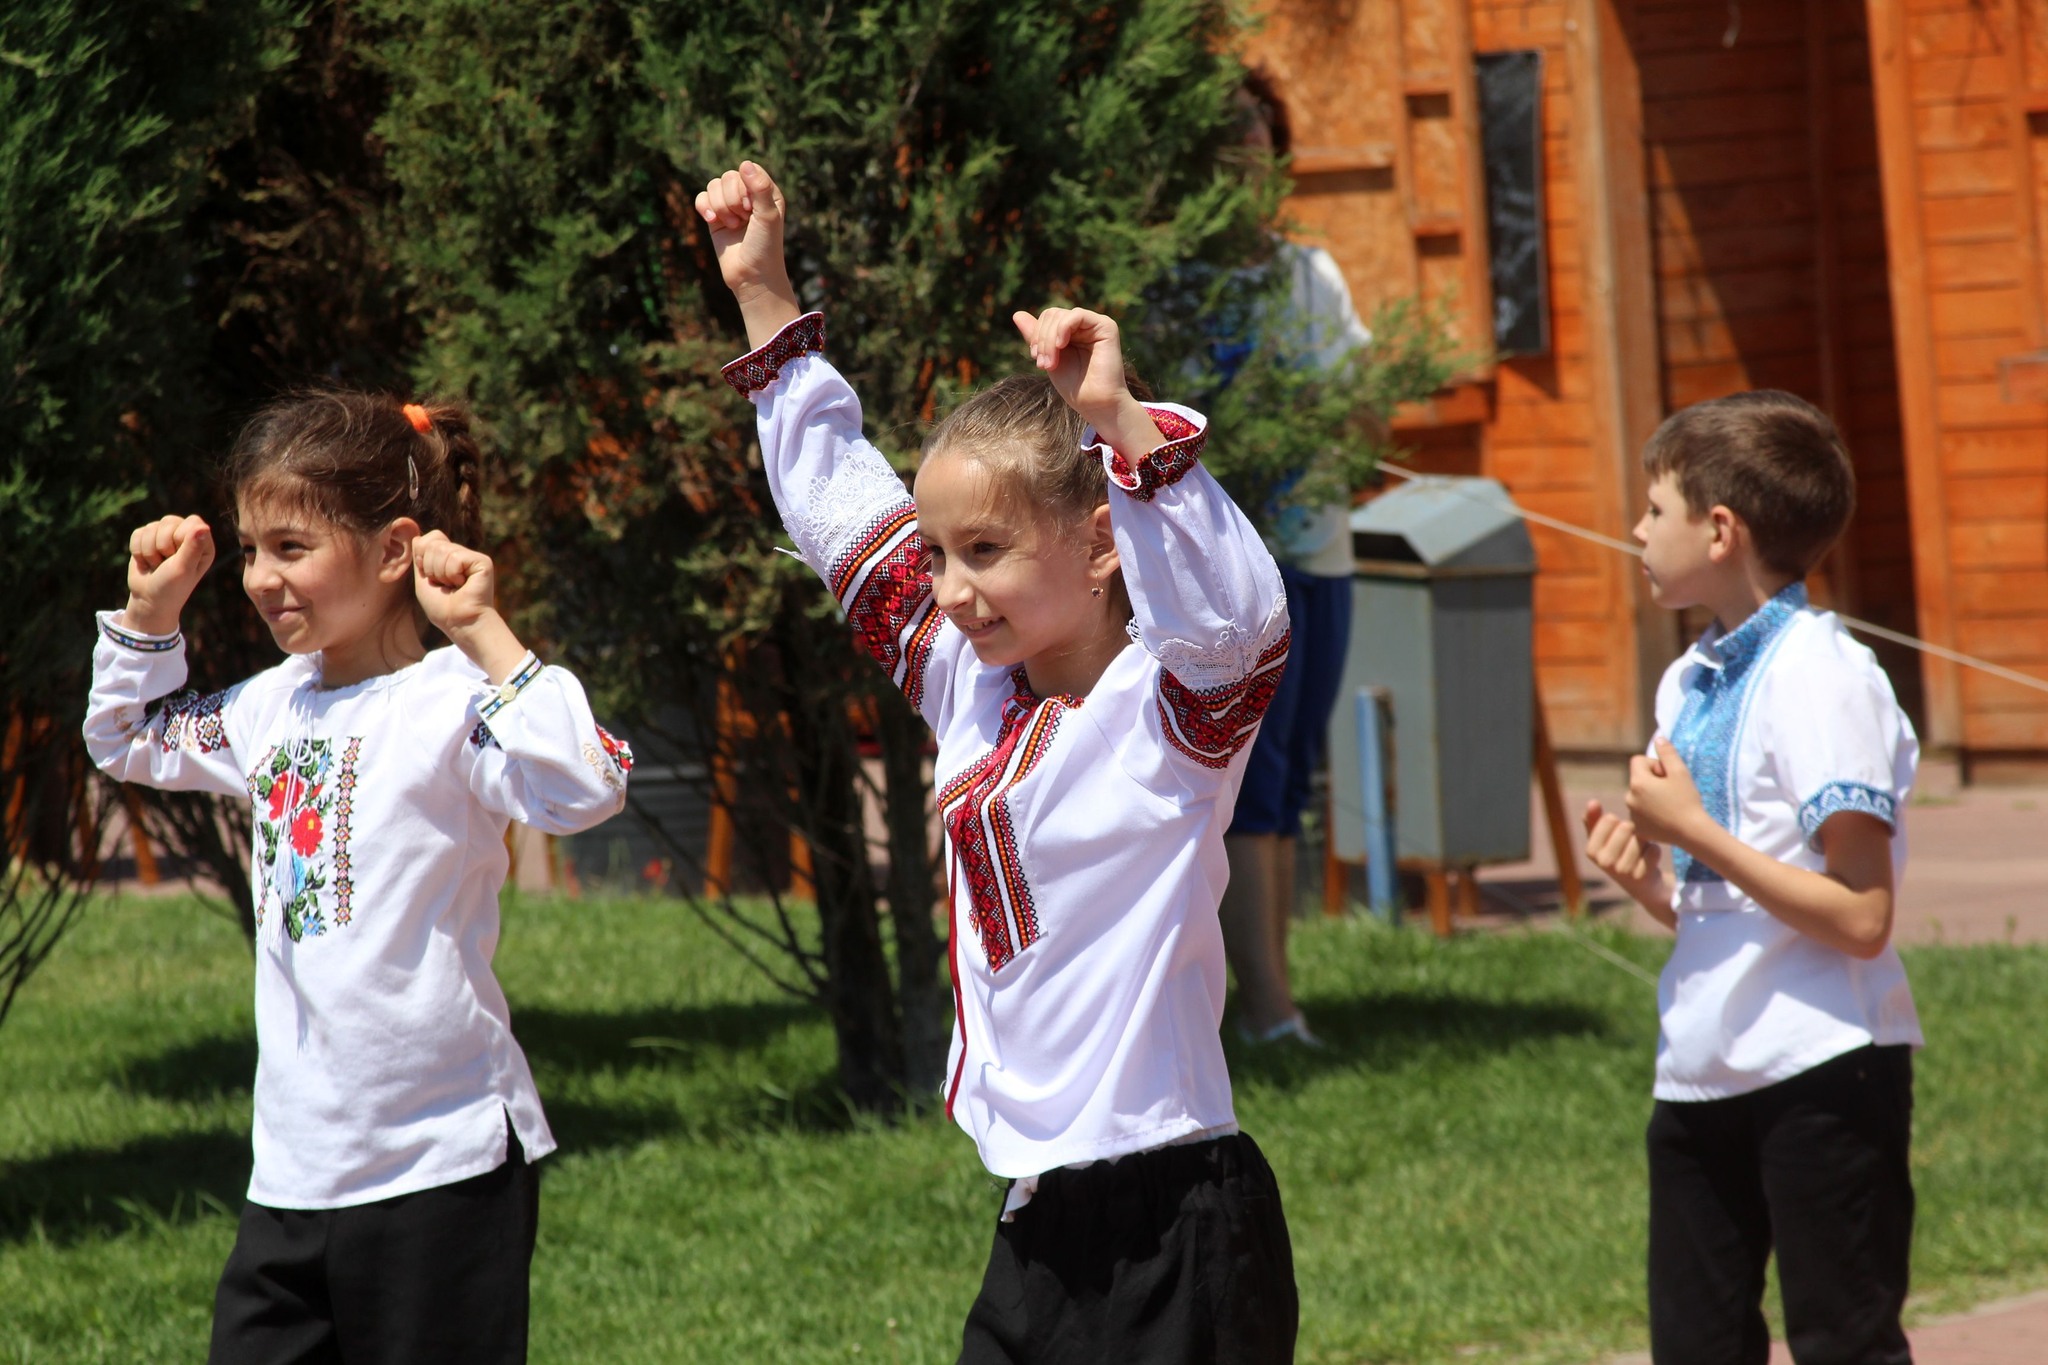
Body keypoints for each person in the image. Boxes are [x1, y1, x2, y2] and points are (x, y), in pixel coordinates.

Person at [697, 160, 1298, 1362]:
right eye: (940, 553)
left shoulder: (1174, 715)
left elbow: (1238, 618)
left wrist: (1122, 428)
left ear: (1099, 544)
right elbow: (836, 515)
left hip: (1178, 1215)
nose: (951, 588)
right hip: (1037, 1217)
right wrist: (763, 296)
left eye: (984, 549)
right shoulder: (967, 680)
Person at [83, 393, 633, 1364]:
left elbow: (587, 784)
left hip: (443, 1169)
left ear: (394, 551)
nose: (260, 577)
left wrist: (483, 631)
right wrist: (148, 614)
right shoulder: (267, 708)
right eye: (251, 549)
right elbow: (125, 738)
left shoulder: (454, 701)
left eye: (291, 546)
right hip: (293, 1174)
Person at [1581, 390, 1920, 1365]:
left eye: (1653, 510)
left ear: (1718, 529)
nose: (1636, 531)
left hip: (1819, 1067)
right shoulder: (1687, 678)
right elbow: (1729, 899)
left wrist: (1690, 829)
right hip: (1697, 1070)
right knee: (1694, 1344)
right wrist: (1656, 880)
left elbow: (1860, 916)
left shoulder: (1823, 675)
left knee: (1843, 1343)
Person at [1218, 69, 1372, 1044]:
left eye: (1254, 147)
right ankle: (1265, 1006)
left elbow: (1362, 415)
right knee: (1250, 781)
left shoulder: (1310, 274)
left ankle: (1270, 1000)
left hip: (1321, 553)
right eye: (1222, 148)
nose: (1240, 167)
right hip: (1238, 571)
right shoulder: (1175, 287)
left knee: (1291, 778)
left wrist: (1324, 417)